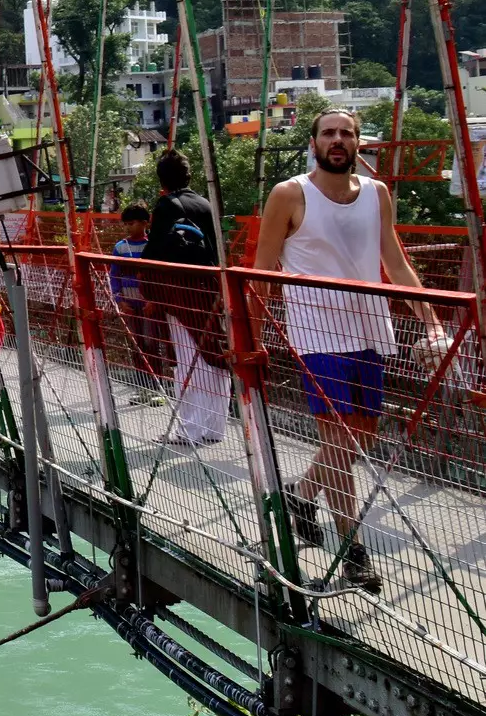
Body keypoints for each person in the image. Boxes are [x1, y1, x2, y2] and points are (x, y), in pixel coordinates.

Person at [253, 107, 439, 595]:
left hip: (370, 331)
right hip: (318, 336)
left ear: (358, 143)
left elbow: (394, 263)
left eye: (347, 133)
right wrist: (249, 338)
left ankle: (300, 495)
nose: (338, 139)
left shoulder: (377, 195)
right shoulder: (289, 195)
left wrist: (432, 322)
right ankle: (353, 553)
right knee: (341, 441)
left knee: (361, 439)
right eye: (329, 133)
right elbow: (262, 271)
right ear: (313, 141)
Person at [141, 149, 232, 446]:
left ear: (161, 179)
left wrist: (151, 292)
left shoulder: (167, 205)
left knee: (187, 360)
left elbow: (153, 254)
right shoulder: (206, 204)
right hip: (210, 289)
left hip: (179, 292)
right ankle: (214, 428)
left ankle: (188, 430)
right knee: (214, 356)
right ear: (189, 175)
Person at [110, 203, 169, 379]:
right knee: (136, 342)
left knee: (152, 341)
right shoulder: (120, 247)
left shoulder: (152, 245)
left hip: (148, 302)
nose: (128, 227)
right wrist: (119, 299)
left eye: (132, 223)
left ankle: (155, 381)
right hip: (129, 301)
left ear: (145, 223)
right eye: (126, 224)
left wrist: (154, 300)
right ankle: (141, 381)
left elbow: (160, 276)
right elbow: (114, 275)